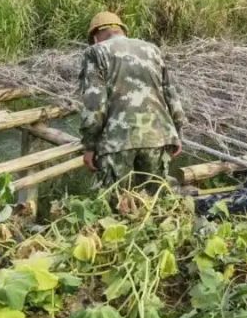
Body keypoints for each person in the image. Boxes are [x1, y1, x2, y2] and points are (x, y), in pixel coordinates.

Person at [79, 11, 186, 189]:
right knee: (153, 202)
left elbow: (94, 103)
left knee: (118, 205)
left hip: (117, 141)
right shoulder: (152, 49)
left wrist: (89, 145)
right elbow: (171, 94)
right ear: (122, 31)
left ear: (96, 37)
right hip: (157, 137)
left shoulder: (96, 52)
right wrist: (178, 133)